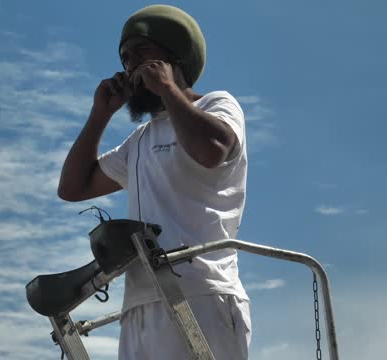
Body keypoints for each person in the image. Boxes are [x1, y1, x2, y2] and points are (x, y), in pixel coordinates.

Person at [57, 4, 251, 360]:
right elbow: (73, 188)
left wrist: (166, 88)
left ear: (175, 56)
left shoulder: (217, 105)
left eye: (141, 51)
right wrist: (101, 112)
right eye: (125, 57)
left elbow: (212, 151)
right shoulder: (140, 140)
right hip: (141, 302)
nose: (130, 65)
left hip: (202, 293)